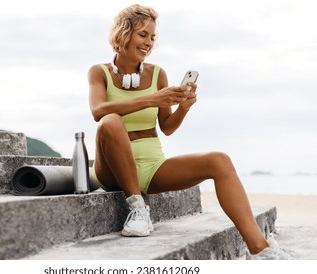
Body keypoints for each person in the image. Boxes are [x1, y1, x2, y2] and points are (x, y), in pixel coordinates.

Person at [87, 4, 293, 260]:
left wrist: (183, 108)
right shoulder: (100, 71)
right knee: (111, 121)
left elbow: (167, 128)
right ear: (124, 33)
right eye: (143, 35)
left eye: (152, 37)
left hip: (151, 167)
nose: (149, 42)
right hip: (111, 170)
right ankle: (138, 208)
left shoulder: (157, 74)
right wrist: (152, 100)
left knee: (219, 160)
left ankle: (260, 249)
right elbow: (98, 110)